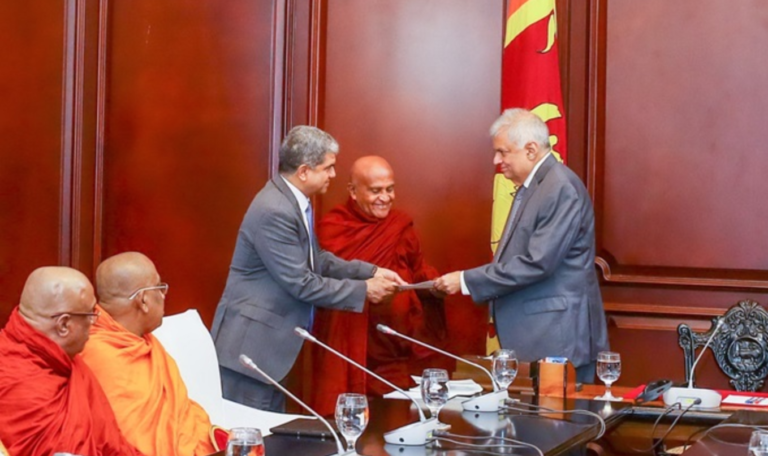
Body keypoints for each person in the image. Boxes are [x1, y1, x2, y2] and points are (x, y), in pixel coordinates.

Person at [212, 125, 405, 412]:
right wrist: (364, 290)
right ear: (304, 171)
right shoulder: (275, 210)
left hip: (269, 349)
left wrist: (370, 272)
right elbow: (302, 282)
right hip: (251, 351)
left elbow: (317, 259)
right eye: (328, 168)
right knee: (253, 433)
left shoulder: (292, 201)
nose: (333, 175)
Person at [434, 108, 609, 383]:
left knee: (556, 412)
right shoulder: (539, 185)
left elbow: (538, 263)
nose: (496, 160)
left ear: (530, 150)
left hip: (556, 338)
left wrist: (466, 280)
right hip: (540, 335)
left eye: (502, 152)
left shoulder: (559, 188)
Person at [309, 156, 450, 415]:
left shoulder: (400, 226)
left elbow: (417, 269)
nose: (385, 198)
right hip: (350, 350)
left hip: (394, 352)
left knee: (395, 422)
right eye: (376, 191)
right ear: (353, 191)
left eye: (390, 189)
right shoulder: (334, 227)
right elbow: (323, 282)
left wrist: (433, 284)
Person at [80, 252, 215, 456]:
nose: (163, 296)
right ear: (143, 300)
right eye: (159, 288)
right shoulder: (100, 355)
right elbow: (129, 442)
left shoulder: (142, 340)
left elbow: (179, 412)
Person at [0, 267, 144, 456]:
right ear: (64, 325)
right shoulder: (12, 375)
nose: (95, 323)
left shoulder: (70, 363)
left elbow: (112, 446)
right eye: (91, 314)